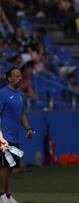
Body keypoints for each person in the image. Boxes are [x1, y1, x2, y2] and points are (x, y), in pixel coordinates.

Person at [0, 68, 35, 203]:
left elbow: (22, 115)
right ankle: (1, 195)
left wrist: (29, 129)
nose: (20, 78)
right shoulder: (2, 93)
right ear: (9, 78)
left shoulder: (20, 95)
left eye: (20, 76)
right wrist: (1, 138)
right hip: (4, 138)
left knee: (10, 167)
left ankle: (9, 195)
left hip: (14, 137)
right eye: (16, 76)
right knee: (3, 168)